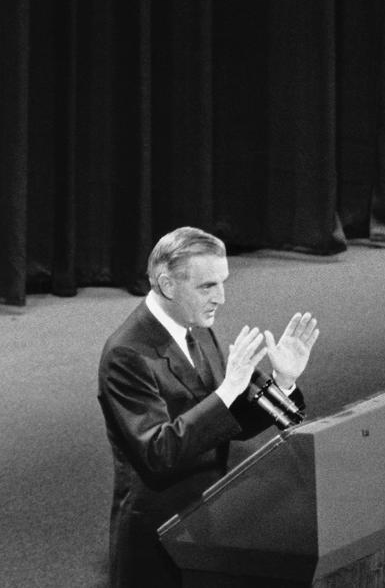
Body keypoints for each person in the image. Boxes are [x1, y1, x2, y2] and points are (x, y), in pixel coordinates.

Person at [97, 226, 320, 587]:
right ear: (168, 286)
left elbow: (230, 423)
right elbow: (159, 452)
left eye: (223, 282)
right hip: (157, 540)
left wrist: (283, 381)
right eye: (208, 286)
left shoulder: (198, 328)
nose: (222, 297)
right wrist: (227, 390)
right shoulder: (127, 354)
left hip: (208, 523)